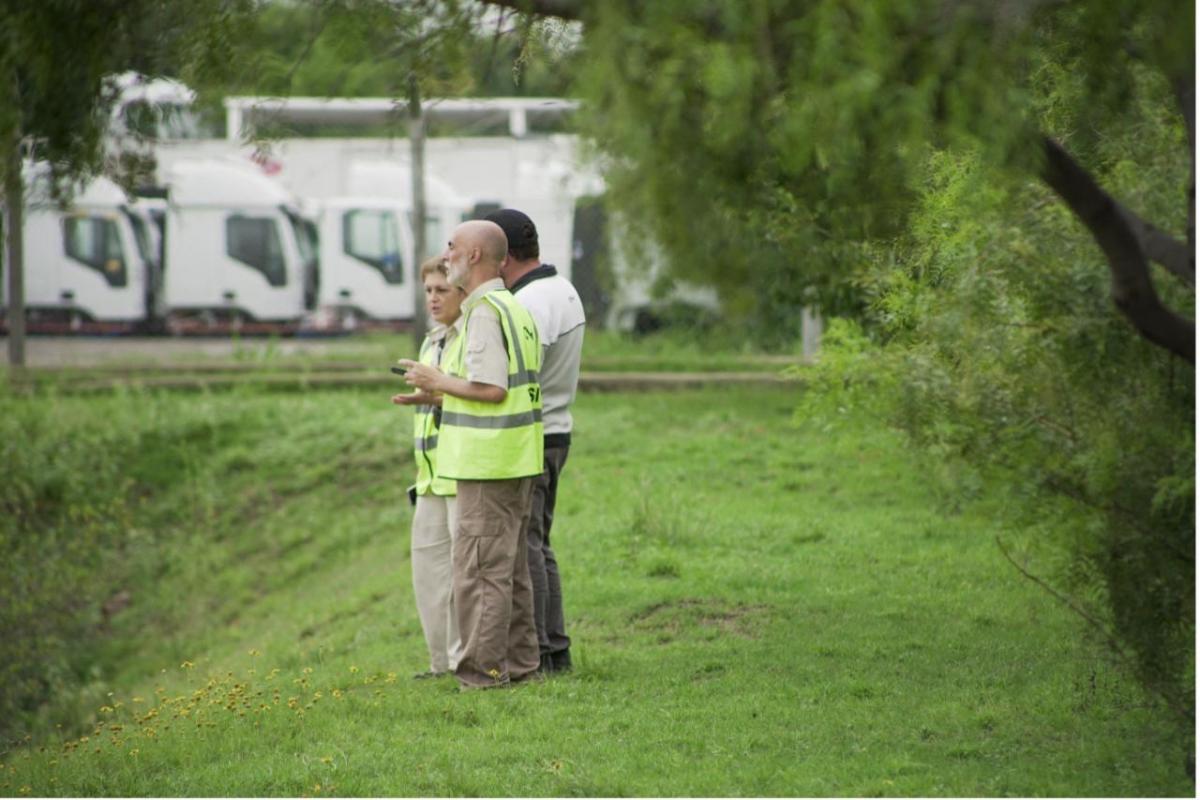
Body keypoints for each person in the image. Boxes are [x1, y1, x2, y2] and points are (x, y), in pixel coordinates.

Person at [397, 220, 544, 690]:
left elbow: (492, 389)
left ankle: (481, 677)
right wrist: (439, 397)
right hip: (515, 456)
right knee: (512, 574)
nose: (447, 253)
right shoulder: (511, 305)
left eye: (452, 246)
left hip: (486, 461)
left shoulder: (481, 312)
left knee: (481, 575)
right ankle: (522, 667)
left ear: (474, 255)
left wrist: (437, 381)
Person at [485, 208, 584, 674]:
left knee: (528, 545)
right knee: (538, 542)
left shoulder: (531, 303)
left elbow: (518, 371)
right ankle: (555, 649)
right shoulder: (562, 289)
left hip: (535, 432)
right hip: (557, 427)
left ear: (502, 258)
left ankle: (542, 652)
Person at [392, 256, 465, 679]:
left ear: (461, 291)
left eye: (443, 290)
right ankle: (440, 663)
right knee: (429, 575)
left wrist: (437, 393)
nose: (434, 299)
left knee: (461, 578)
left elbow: (478, 394)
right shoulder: (430, 341)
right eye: (429, 291)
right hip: (428, 476)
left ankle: (463, 662)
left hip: (459, 473)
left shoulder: (468, 336)